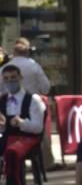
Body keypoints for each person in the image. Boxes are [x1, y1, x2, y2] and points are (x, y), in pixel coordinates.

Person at [0, 64, 47, 185]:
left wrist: (21, 123)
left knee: (12, 152)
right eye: (6, 79)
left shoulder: (33, 99)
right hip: (6, 136)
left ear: (20, 78)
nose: (10, 82)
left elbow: (38, 127)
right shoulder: (1, 100)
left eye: (13, 78)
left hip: (28, 138)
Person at [10, 37, 54, 169]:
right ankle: (45, 164)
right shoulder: (34, 66)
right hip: (31, 107)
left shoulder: (5, 67)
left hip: (10, 108)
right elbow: (46, 87)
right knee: (40, 132)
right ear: (28, 51)